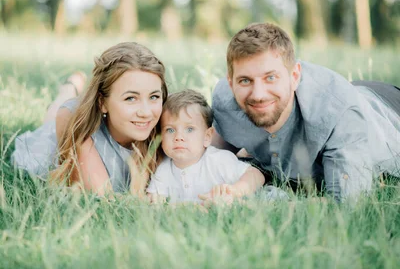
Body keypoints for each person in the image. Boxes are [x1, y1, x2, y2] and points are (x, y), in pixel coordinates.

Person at [211, 22, 400, 201]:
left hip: (388, 110)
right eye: (245, 80)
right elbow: (199, 162)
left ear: (294, 77)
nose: (258, 95)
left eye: (270, 77)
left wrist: (249, 206)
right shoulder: (226, 102)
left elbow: (346, 204)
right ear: (231, 82)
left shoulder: (339, 114)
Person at [12, 42, 168, 195]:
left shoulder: (170, 127)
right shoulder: (76, 121)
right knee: (54, 119)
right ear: (102, 102)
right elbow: (103, 195)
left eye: (154, 96)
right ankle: (69, 87)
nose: (146, 112)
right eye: (131, 98)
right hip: (52, 140)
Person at [146, 89, 265, 204]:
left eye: (189, 129)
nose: (179, 137)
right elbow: (155, 203)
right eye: (170, 130)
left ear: (207, 137)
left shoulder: (219, 160)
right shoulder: (163, 170)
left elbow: (255, 174)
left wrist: (235, 191)